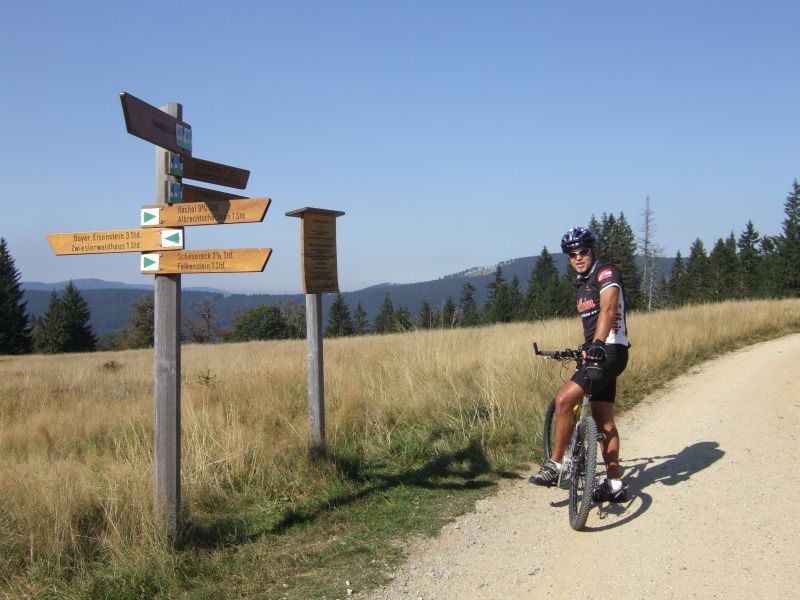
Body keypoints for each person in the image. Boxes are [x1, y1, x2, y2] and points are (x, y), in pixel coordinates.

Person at [529, 226, 631, 503]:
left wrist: (597, 344)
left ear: (593, 251)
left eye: (583, 251)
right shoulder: (583, 284)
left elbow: (608, 309)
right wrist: (586, 347)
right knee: (604, 420)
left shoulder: (605, 273)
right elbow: (593, 321)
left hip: (609, 351)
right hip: (601, 352)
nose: (578, 257)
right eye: (572, 254)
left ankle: (555, 465)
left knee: (563, 400)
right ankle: (614, 484)